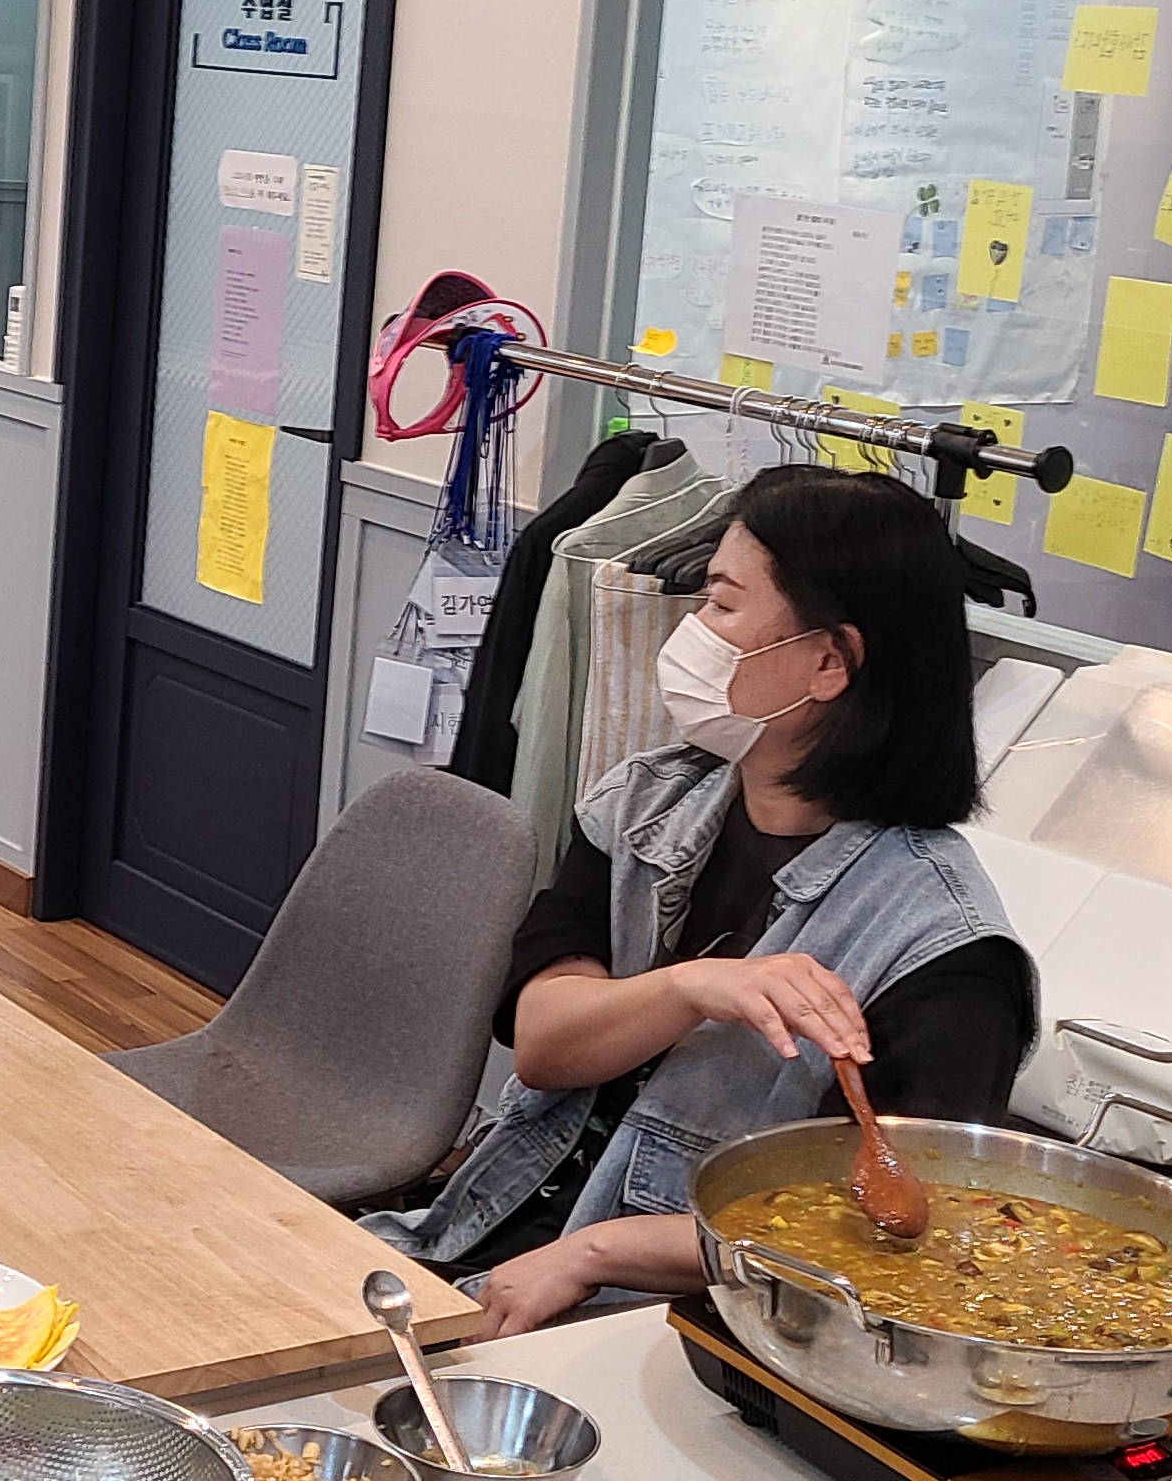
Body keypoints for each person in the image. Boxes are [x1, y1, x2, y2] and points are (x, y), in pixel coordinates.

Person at [368, 464, 1036, 1339]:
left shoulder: (946, 951)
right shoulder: (649, 803)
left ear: (828, 662)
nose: (691, 630)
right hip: (482, 1231)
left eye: (721, 604)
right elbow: (545, 1047)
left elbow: (876, 1228)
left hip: (668, 1321)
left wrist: (595, 1252)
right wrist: (692, 987)